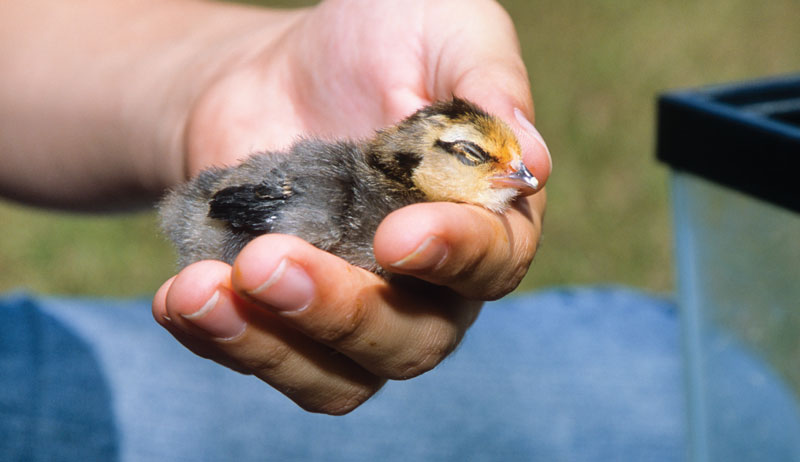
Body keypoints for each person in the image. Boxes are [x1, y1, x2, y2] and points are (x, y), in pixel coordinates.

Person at [1, 0, 551, 415]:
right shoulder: (349, 197)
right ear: (417, 162)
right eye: (479, 158)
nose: (520, 175)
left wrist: (239, 69)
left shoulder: (385, 203)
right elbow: (224, 206)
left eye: (511, 163)